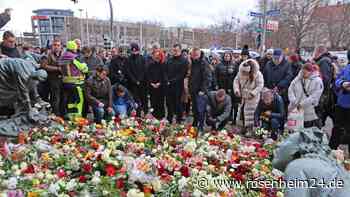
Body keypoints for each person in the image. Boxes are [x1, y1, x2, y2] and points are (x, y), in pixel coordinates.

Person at [288, 63, 324, 128]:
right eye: (302, 72)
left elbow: (314, 96)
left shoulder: (317, 81)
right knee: (294, 128)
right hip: (295, 109)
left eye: (305, 72)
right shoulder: (298, 78)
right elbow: (290, 89)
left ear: (311, 72)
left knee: (307, 129)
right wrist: (293, 100)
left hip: (308, 111)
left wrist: (302, 104)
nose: (303, 74)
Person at [59, 40, 89, 120]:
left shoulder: (62, 57)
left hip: (65, 83)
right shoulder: (73, 57)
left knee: (70, 101)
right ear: (73, 48)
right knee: (79, 101)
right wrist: (85, 65)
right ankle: (78, 118)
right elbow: (83, 68)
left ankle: (70, 116)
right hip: (76, 83)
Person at [233, 59, 264, 135]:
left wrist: (253, 93)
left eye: (246, 72)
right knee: (242, 112)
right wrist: (237, 90)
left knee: (250, 113)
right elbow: (236, 81)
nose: (244, 73)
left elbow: (260, 85)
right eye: (243, 72)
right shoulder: (240, 73)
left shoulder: (258, 74)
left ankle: (250, 129)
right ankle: (242, 127)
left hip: (252, 98)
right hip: (243, 97)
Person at [329, 49, 350, 153]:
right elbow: (337, 80)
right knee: (336, 129)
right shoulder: (346, 68)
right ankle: (331, 151)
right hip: (342, 104)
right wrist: (343, 83)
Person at [165, 44, 189, 123]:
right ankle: (169, 118)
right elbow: (165, 71)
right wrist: (167, 80)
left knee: (178, 104)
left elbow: (182, 74)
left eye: (176, 50)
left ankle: (179, 119)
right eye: (174, 50)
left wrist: (171, 81)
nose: (175, 52)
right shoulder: (169, 59)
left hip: (178, 86)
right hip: (169, 86)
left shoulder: (184, 60)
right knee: (169, 103)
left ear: (180, 50)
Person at [313, 46, 337, 127]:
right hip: (324, 94)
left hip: (322, 95)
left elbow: (325, 80)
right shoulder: (324, 60)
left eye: (314, 52)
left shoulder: (324, 61)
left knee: (319, 116)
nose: (313, 54)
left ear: (319, 52)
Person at [216, 51, 239, 125]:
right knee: (222, 102)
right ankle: (222, 117)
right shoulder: (219, 65)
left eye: (228, 56)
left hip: (231, 87)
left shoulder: (234, 65)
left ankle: (231, 118)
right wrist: (216, 85)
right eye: (225, 56)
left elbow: (237, 77)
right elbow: (215, 76)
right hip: (221, 87)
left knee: (232, 103)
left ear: (230, 57)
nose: (226, 57)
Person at [124, 43, 148, 116]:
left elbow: (145, 70)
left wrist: (140, 80)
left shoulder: (142, 59)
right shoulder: (128, 60)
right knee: (135, 99)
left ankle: (145, 112)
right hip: (132, 84)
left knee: (144, 99)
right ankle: (137, 113)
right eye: (133, 51)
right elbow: (128, 71)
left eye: (136, 51)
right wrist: (134, 80)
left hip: (142, 83)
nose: (134, 52)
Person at [41, 39, 63, 115]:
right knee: (55, 98)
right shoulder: (47, 54)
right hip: (52, 79)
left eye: (58, 45)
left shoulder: (63, 55)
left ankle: (62, 113)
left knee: (62, 97)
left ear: (61, 46)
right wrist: (57, 68)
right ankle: (56, 114)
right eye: (54, 45)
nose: (56, 47)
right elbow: (44, 66)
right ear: (52, 46)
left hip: (62, 79)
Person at [189, 48, 208, 129]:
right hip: (193, 89)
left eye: (196, 55)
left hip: (200, 90)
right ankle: (195, 122)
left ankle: (201, 125)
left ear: (199, 54)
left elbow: (206, 78)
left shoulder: (203, 63)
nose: (194, 56)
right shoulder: (192, 62)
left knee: (200, 109)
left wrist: (203, 90)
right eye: (193, 55)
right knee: (194, 108)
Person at [146, 48, 166, 119]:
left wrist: (159, 83)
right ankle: (153, 116)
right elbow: (148, 75)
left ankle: (161, 117)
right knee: (153, 102)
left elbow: (164, 76)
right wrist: (151, 83)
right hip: (152, 87)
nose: (157, 58)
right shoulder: (150, 65)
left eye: (158, 56)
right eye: (155, 56)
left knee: (160, 103)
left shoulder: (163, 65)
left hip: (160, 87)